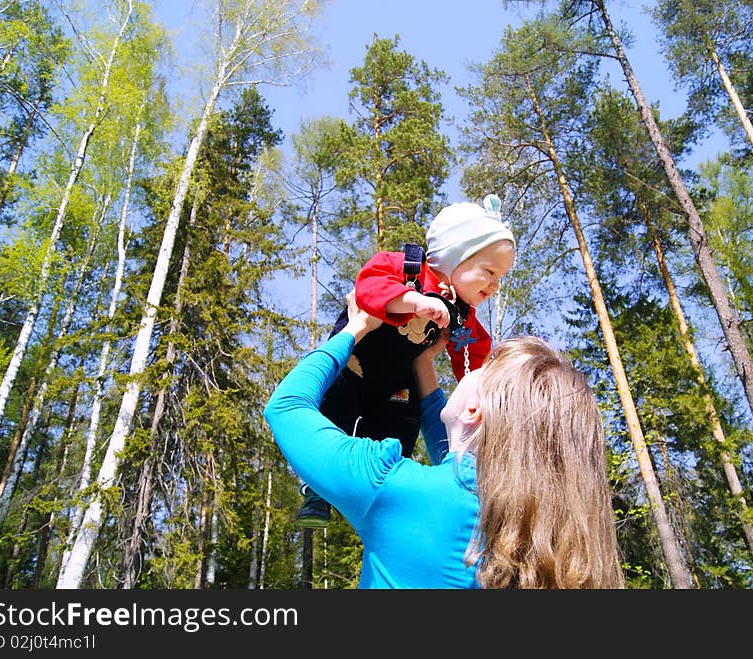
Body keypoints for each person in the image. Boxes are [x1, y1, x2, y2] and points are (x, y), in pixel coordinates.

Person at [264, 289, 625, 588]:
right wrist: (423, 364)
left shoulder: (391, 488)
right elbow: (456, 457)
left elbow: (286, 408)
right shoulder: (546, 534)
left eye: (484, 369)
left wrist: (355, 328)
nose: (472, 367)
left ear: (473, 411)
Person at [296, 193, 517, 528]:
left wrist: (495, 392)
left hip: (398, 384)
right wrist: (410, 301)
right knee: (334, 415)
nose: (494, 285)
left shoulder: (462, 318)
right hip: (356, 366)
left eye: (499, 277)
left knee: (396, 436)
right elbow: (368, 286)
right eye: (489, 271)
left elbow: (477, 359)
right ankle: (317, 491)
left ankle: (384, 498)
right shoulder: (405, 269)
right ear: (456, 255)